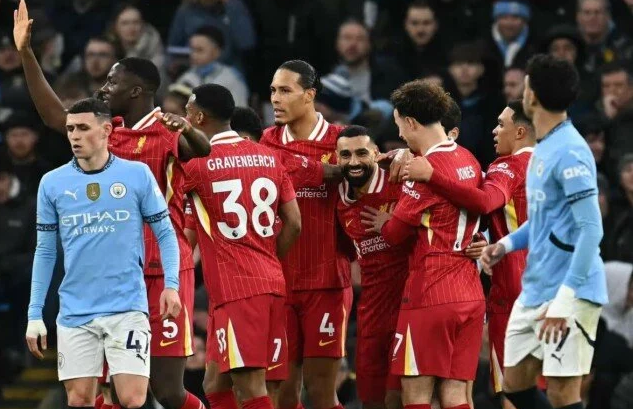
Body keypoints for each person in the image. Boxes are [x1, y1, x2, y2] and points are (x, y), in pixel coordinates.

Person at [14, 3, 209, 409]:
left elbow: (201, 152)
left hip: (163, 269)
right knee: (112, 392)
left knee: (167, 390)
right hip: (114, 274)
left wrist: (188, 129)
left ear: (136, 91)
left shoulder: (167, 130)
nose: (103, 88)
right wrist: (26, 54)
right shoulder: (107, 132)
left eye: (111, 82)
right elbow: (55, 116)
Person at [25, 98, 182, 409]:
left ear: (107, 130)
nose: (74, 136)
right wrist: (34, 313)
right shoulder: (52, 183)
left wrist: (172, 285)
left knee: (133, 398)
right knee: (79, 399)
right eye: (70, 129)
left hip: (126, 306)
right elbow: (45, 251)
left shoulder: (136, 174)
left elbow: (165, 233)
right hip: (75, 310)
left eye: (83, 128)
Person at [481, 54, 608, 409]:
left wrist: (565, 300)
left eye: (525, 85)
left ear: (532, 95)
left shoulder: (570, 151)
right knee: (514, 385)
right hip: (536, 287)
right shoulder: (543, 148)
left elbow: (590, 230)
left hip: (570, 291)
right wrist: (506, 244)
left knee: (562, 393)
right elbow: (544, 218)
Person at [403, 100, 537, 408]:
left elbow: (486, 201)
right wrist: (480, 237)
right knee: (551, 389)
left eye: (501, 125)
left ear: (519, 132)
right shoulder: (552, 166)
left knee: (515, 392)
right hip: (554, 287)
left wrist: (431, 175)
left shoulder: (506, 166)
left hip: (513, 289)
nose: (494, 131)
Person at [177, 83, 302, 409]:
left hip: (238, 290)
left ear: (198, 118)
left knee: (252, 388)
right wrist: (268, 258)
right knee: (215, 384)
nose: (184, 118)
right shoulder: (269, 157)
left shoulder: (197, 166)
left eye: (187, 112)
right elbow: (294, 222)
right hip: (269, 282)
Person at [362, 79, 485, 409]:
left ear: (411, 121)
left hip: (431, 292)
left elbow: (395, 235)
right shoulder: (469, 158)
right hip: (470, 291)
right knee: (455, 395)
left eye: (399, 124)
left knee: (415, 394)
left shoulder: (423, 172)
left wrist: (385, 221)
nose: (400, 133)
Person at [260, 60, 353, 409]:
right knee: (283, 395)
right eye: (273, 90)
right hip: (280, 283)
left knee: (321, 392)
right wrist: (319, 170)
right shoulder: (267, 141)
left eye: (285, 90)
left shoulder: (341, 141)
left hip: (327, 282)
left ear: (310, 95)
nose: (275, 98)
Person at [335, 125, 408, 409]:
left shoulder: (400, 181)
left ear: (376, 153)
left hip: (408, 305)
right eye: (346, 155)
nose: (354, 161)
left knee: (402, 396)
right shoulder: (339, 197)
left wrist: (477, 238)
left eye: (361, 153)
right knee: (370, 398)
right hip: (371, 311)